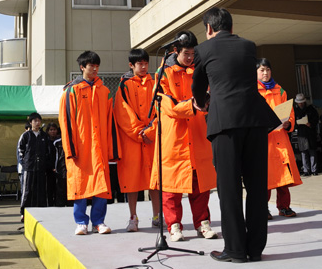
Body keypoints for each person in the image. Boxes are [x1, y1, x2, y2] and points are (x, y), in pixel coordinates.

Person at [192, 8, 280, 263]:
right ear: (231, 26)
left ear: (209, 28)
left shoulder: (204, 50)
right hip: (254, 121)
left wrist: (201, 102)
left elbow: (198, 85)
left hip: (225, 124)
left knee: (229, 188)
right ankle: (255, 249)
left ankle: (235, 250)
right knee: (255, 186)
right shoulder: (248, 46)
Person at [150, 30, 218, 243]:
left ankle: (203, 223)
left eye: (192, 54)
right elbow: (168, 106)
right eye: (186, 53)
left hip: (198, 134)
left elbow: (209, 99)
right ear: (175, 51)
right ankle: (174, 225)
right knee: (172, 187)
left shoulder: (200, 71)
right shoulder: (163, 73)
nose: (190, 57)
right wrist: (195, 105)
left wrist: (202, 105)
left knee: (200, 185)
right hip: (174, 138)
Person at [59, 50, 120, 235]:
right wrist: (70, 149)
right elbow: (66, 122)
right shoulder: (71, 91)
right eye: (90, 65)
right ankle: (81, 222)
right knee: (80, 185)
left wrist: (112, 150)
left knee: (101, 186)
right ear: (82, 67)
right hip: (80, 148)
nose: (94, 69)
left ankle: (99, 222)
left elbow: (111, 122)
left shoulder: (105, 91)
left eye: (96, 66)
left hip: (99, 147)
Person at [114, 48, 159, 231]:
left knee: (155, 180)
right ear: (131, 65)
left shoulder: (156, 83)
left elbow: (161, 108)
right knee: (132, 181)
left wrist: (151, 131)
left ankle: (157, 215)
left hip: (152, 139)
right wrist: (140, 133)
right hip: (132, 141)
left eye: (145, 63)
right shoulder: (124, 86)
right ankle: (133, 217)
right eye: (139, 63)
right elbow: (123, 113)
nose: (143, 67)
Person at [257, 58, 302, 220]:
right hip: (264, 140)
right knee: (265, 177)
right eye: (262, 70)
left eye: (267, 70)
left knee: (284, 175)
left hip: (280, 138)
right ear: (256, 72)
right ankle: (263, 208)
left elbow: (290, 113)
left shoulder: (280, 90)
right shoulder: (252, 91)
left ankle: (284, 206)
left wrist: (288, 123)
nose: (265, 73)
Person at [18, 112, 53, 222]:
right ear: (31, 122)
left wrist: (47, 164)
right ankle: (23, 212)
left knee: (41, 190)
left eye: (39, 121)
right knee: (27, 190)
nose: (37, 123)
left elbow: (49, 151)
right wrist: (25, 163)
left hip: (41, 168)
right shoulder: (26, 135)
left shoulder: (44, 136)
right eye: (35, 121)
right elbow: (20, 150)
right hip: (29, 168)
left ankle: (41, 211)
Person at [294, 93, 319, 176]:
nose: (300, 104)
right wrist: (297, 124)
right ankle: (306, 170)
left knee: (312, 151)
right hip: (301, 133)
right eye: (299, 102)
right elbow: (292, 122)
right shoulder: (295, 110)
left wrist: (311, 124)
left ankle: (314, 169)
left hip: (310, 132)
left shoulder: (311, 109)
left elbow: (316, 119)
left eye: (301, 102)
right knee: (303, 152)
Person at [45, 122, 60, 206]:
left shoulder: (60, 141)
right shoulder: (45, 141)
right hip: (49, 170)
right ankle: (50, 204)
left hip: (59, 169)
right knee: (49, 188)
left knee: (58, 189)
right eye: (51, 130)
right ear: (48, 131)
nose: (53, 131)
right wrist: (51, 167)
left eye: (54, 130)